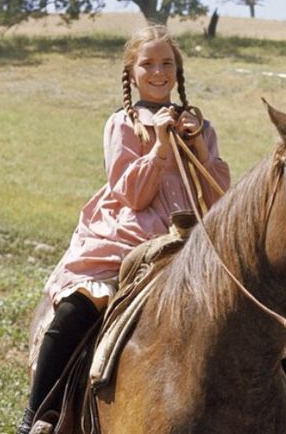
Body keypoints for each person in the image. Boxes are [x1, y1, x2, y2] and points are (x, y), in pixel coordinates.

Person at [18, 24, 231, 434]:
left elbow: (219, 198)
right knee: (81, 306)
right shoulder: (122, 124)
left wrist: (199, 148)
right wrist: (160, 147)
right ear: (131, 72)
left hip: (189, 236)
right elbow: (132, 194)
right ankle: (38, 415)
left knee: (262, 318)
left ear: (178, 71)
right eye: (147, 64)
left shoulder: (201, 128)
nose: (158, 72)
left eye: (166, 63)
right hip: (127, 233)